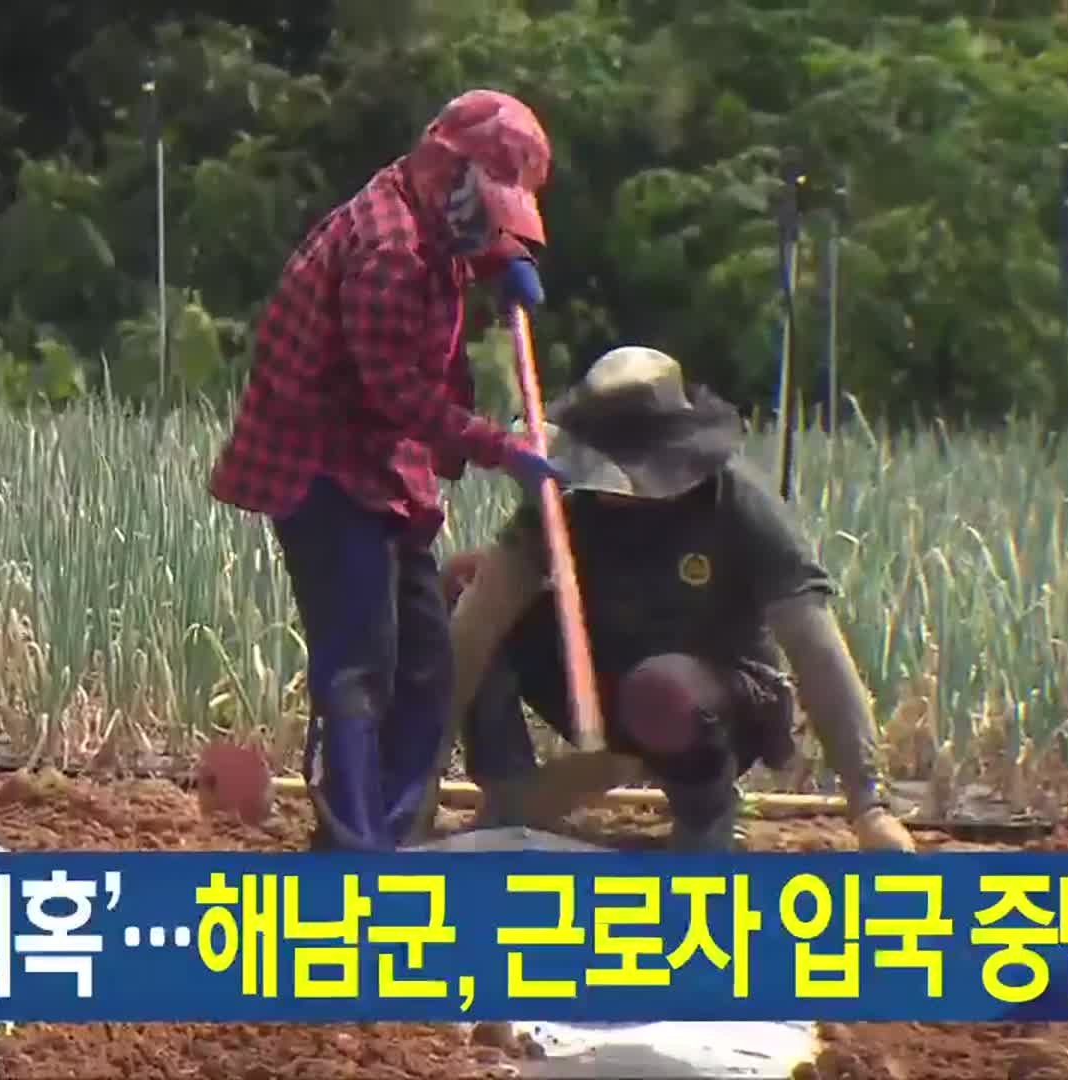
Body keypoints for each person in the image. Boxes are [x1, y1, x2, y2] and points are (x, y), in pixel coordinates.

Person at [207, 89, 567, 852]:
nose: (490, 226)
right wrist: (496, 447)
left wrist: (502, 259)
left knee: (428, 664)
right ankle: (353, 845)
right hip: (321, 467)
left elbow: (410, 381)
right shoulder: (390, 251)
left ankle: (396, 835)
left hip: (382, 469)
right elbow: (397, 392)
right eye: (490, 208)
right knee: (359, 665)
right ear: (450, 174)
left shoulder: (432, 221)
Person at [432, 345, 917, 852]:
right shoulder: (567, 504)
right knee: (467, 578)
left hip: (712, 696)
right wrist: (428, 766)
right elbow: (478, 622)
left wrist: (869, 804)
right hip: (602, 675)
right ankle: (509, 793)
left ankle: (703, 806)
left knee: (662, 690)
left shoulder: (735, 503)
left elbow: (815, 647)